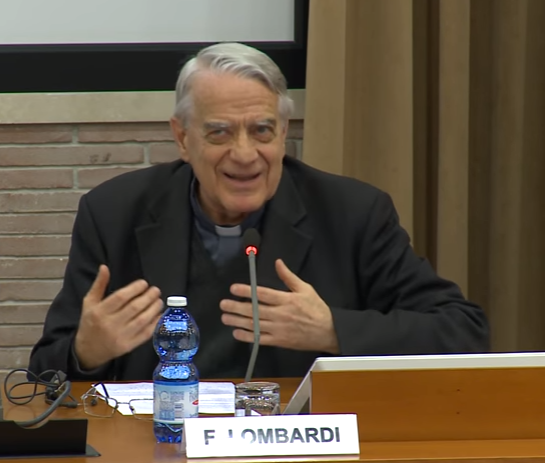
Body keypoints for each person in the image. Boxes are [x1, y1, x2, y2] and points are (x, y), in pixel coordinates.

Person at [28, 42, 490, 381]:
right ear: (182, 138)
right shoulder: (114, 212)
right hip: (160, 438)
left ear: (284, 132)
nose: (245, 154)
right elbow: (42, 374)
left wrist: (333, 330)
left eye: (262, 131)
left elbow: (463, 333)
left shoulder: (352, 213)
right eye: (220, 133)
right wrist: (87, 352)